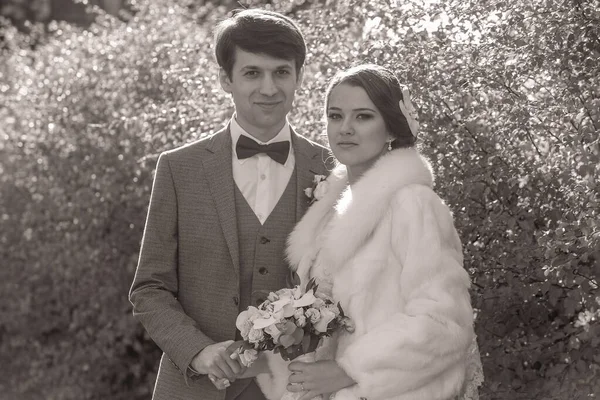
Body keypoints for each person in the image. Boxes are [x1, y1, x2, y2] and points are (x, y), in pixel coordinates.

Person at [129, 9, 332, 400]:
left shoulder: (331, 170)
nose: (269, 88)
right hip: (192, 389)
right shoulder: (178, 168)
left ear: (300, 77)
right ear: (226, 79)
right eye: (252, 73)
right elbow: (149, 288)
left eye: (282, 72)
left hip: (297, 389)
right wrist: (199, 351)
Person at [259, 64, 483, 400]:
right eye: (335, 116)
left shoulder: (413, 203)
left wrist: (349, 370)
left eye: (363, 117)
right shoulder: (328, 211)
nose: (345, 128)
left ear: (392, 129)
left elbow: (444, 322)